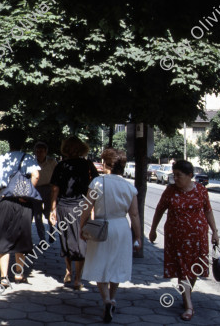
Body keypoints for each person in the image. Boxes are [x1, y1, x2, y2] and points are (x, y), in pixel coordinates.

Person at [149, 160, 219, 321]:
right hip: (176, 236)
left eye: (179, 175)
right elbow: (159, 210)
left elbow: (208, 211)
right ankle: (189, 305)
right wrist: (153, 230)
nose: (175, 178)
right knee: (183, 269)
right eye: (174, 175)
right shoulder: (170, 191)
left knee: (193, 269)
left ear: (189, 176)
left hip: (197, 236)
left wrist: (215, 232)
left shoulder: (201, 190)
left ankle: (186, 294)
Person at [80, 148, 141, 323]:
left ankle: (106, 299)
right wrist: (138, 237)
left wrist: (81, 227)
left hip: (101, 227)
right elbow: (135, 215)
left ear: (105, 164)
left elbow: (87, 208)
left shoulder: (97, 183)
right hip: (121, 227)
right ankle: (113, 298)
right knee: (117, 263)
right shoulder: (130, 186)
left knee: (100, 262)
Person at [0, 129, 40, 286]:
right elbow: (36, 175)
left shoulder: (1, 159)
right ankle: (19, 274)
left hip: (4, 200)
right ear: (22, 143)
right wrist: (26, 192)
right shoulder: (28, 158)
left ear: (9, 143)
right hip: (22, 203)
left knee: (3, 237)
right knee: (21, 236)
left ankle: (3, 276)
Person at [49, 137, 97, 290]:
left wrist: (53, 208)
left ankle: (71, 272)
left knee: (67, 239)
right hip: (81, 207)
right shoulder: (88, 166)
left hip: (66, 206)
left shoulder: (61, 165)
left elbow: (55, 189)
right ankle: (77, 277)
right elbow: (95, 189)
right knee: (79, 241)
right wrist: (93, 208)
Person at [33, 141, 57, 242]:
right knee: (37, 216)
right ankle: (42, 238)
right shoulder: (32, 162)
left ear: (46, 152)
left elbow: (57, 175)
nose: (39, 153)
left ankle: (52, 232)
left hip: (49, 189)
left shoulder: (52, 162)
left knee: (49, 213)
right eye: (37, 151)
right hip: (36, 190)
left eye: (42, 151)